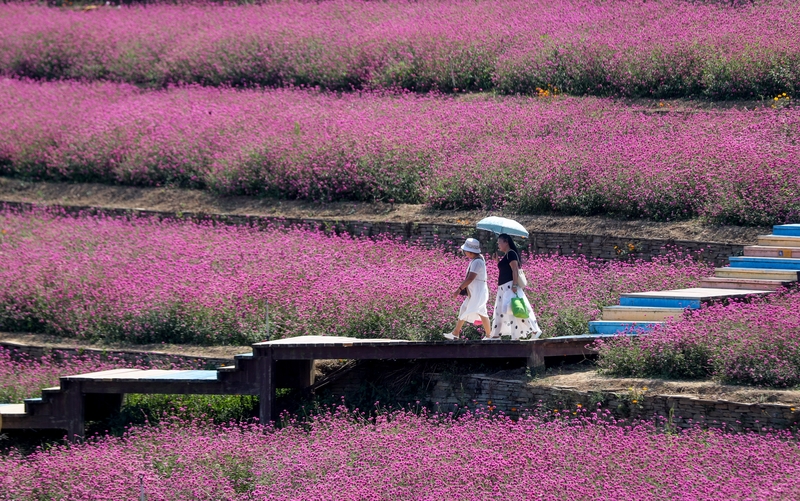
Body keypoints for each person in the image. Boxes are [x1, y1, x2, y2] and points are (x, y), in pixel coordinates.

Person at [489, 233, 542, 340]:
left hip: (509, 286)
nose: (498, 245)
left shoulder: (511, 254)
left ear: (506, 242)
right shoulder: (506, 255)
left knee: (515, 309)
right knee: (500, 310)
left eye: (500, 242)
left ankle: (534, 330)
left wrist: (514, 285)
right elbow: (505, 270)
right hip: (503, 287)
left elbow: (515, 270)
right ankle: (495, 334)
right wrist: (497, 261)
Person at [443, 238, 491, 340]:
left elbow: (470, 278)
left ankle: (488, 335)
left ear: (470, 251)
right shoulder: (476, 260)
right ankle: (456, 333)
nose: (464, 252)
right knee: (467, 309)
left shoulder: (477, 262)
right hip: (475, 292)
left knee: (473, 311)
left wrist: (459, 289)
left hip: (478, 292)